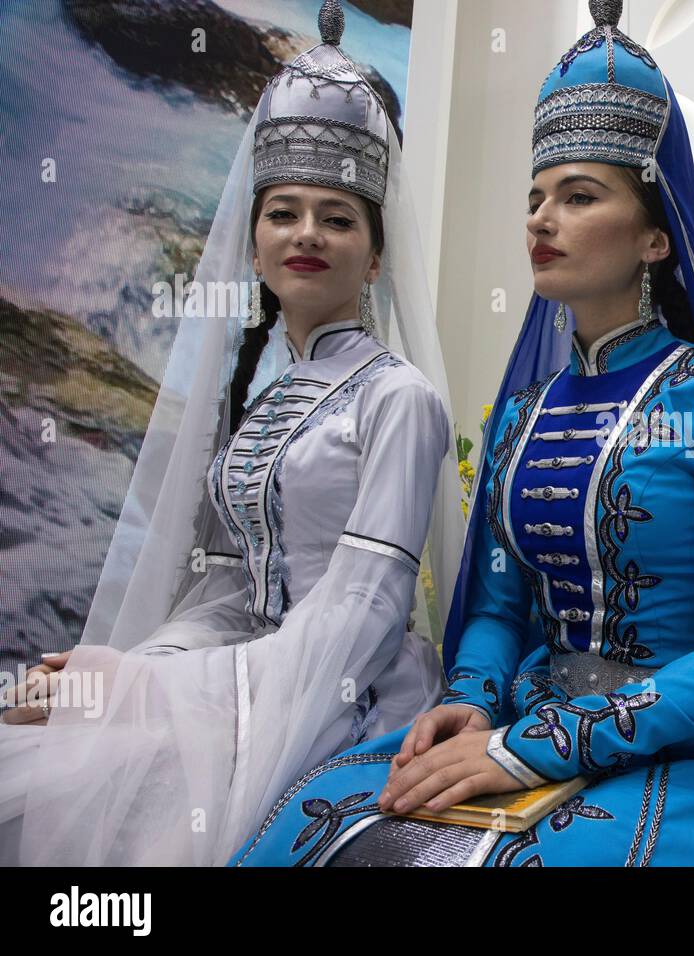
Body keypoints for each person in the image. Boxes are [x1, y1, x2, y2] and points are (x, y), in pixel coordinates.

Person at [230, 0, 694, 868]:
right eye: (535, 199)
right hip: (518, 729)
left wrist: (540, 747)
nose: (540, 220)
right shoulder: (521, 418)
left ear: (656, 236)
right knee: (320, 829)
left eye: (578, 197)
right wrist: (470, 699)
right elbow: (499, 608)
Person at [0, 0, 463, 866]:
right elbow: (227, 598)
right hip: (241, 682)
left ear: (376, 255)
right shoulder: (266, 402)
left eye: (338, 217)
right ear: (253, 246)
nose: (307, 234)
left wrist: (142, 689)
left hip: (347, 697)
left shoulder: (399, 399)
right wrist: (118, 672)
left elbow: (359, 618)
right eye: (283, 212)